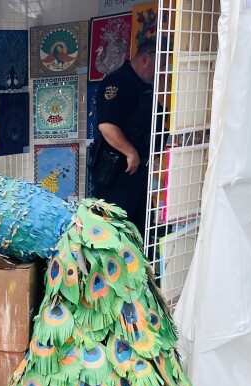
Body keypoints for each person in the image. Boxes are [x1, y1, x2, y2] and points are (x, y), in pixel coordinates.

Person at [90, 38, 161, 241]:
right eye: (162, 64)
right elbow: (107, 125)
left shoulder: (146, 86)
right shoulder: (118, 83)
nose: (163, 70)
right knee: (113, 233)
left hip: (139, 174)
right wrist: (130, 152)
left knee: (140, 232)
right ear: (147, 58)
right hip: (116, 174)